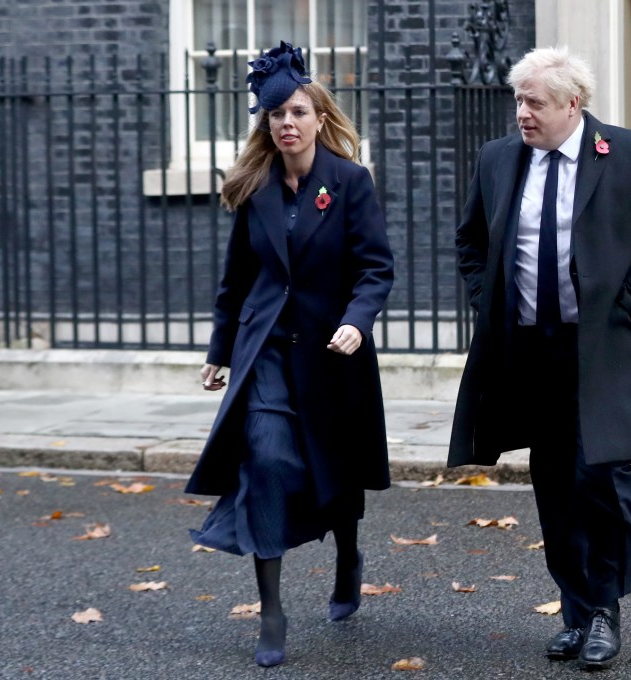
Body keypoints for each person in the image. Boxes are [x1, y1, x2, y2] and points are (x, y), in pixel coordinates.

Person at [448, 46, 631, 669]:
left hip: (602, 349)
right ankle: (575, 608)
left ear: (572, 105)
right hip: (530, 350)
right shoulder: (499, 159)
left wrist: (630, 304)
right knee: (553, 485)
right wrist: (488, 299)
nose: (522, 114)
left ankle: (605, 609)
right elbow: (471, 240)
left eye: (535, 103)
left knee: (601, 479)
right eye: (518, 101)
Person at [184, 41, 394, 668]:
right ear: (266, 124)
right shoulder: (254, 189)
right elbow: (235, 280)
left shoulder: (350, 182)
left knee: (338, 468)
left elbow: (376, 269)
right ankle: (271, 609)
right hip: (268, 352)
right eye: (275, 115)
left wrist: (358, 322)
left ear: (319, 117)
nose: (287, 123)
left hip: (333, 352)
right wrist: (221, 349)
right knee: (268, 462)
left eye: (298, 112)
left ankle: (347, 554)